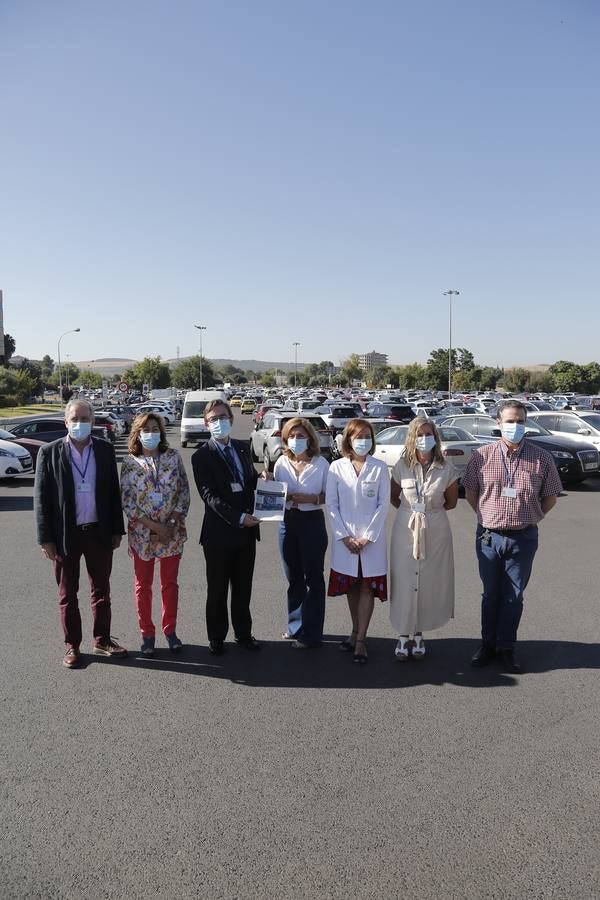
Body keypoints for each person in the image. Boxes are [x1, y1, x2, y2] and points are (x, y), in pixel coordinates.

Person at [462, 399, 562, 673]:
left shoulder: (542, 457)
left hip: (523, 538)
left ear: (526, 423)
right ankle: (487, 644)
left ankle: (506, 647)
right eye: (509, 421)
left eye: (519, 421)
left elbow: (551, 496)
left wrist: (532, 517)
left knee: (513, 597)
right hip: (489, 537)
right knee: (490, 594)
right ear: (498, 423)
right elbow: (471, 492)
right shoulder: (481, 456)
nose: (514, 426)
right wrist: (485, 517)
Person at [34, 398, 127, 668]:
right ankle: (72, 646)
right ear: (66, 421)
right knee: (67, 594)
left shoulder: (105, 450)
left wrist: (117, 530)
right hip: (65, 536)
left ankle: (102, 639)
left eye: (85, 419)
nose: (79, 424)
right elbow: (41, 500)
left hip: (98, 532)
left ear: (93, 422)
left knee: (102, 591)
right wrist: (45, 538)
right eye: (74, 419)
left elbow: (112, 492)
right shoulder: (49, 453)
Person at [191, 399, 261, 654]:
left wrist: (263, 479)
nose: (219, 422)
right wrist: (239, 518)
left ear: (231, 419)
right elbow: (210, 497)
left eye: (223, 417)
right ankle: (217, 637)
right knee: (217, 590)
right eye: (213, 419)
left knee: (243, 588)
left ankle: (244, 634)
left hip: (246, 533)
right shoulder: (201, 456)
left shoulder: (242, 448)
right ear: (206, 424)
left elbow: (250, 481)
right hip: (219, 535)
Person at [120, 413, 190, 656]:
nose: (151, 433)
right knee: (143, 585)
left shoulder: (172, 458)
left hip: (172, 532)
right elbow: (127, 500)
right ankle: (147, 634)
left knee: (169, 584)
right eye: (145, 429)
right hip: (142, 534)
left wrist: (170, 523)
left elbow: (183, 491)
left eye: (154, 428)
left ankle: (170, 630)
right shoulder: (130, 463)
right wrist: (154, 526)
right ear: (137, 434)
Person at [389, 417, 459, 660]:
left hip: (436, 527)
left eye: (429, 434)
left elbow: (451, 502)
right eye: (419, 435)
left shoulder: (446, 468)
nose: (424, 439)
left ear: (435, 438)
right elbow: (394, 497)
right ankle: (402, 634)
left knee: (428, 581)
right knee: (404, 579)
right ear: (411, 438)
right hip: (405, 528)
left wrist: (428, 511)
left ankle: (419, 633)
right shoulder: (401, 466)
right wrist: (413, 511)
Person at [325, 419, 390, 664]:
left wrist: (366, 537)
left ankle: (361, 640)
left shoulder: (380, 467)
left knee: (366, 587)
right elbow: (332, 504)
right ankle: (354, 630)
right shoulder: (336, 468)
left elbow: (383, 505)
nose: (363, 441)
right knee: (351, 586)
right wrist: (344, 536)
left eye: (367, 436)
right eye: (358, 436)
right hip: (345, 539)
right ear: (348, 440)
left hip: (371, 540)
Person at [273, 417, 329, 648]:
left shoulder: (321, 464)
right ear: (286, 439)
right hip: (287, 522)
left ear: (310, 438)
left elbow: (331, 496)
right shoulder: (280, 463)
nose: (297, 440)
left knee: (313, 578)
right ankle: (295, 627)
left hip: (312, 521)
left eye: (301, 435)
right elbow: (273, 494)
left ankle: (313, 633)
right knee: (293, 577)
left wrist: (313, 499)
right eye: (292, 436)